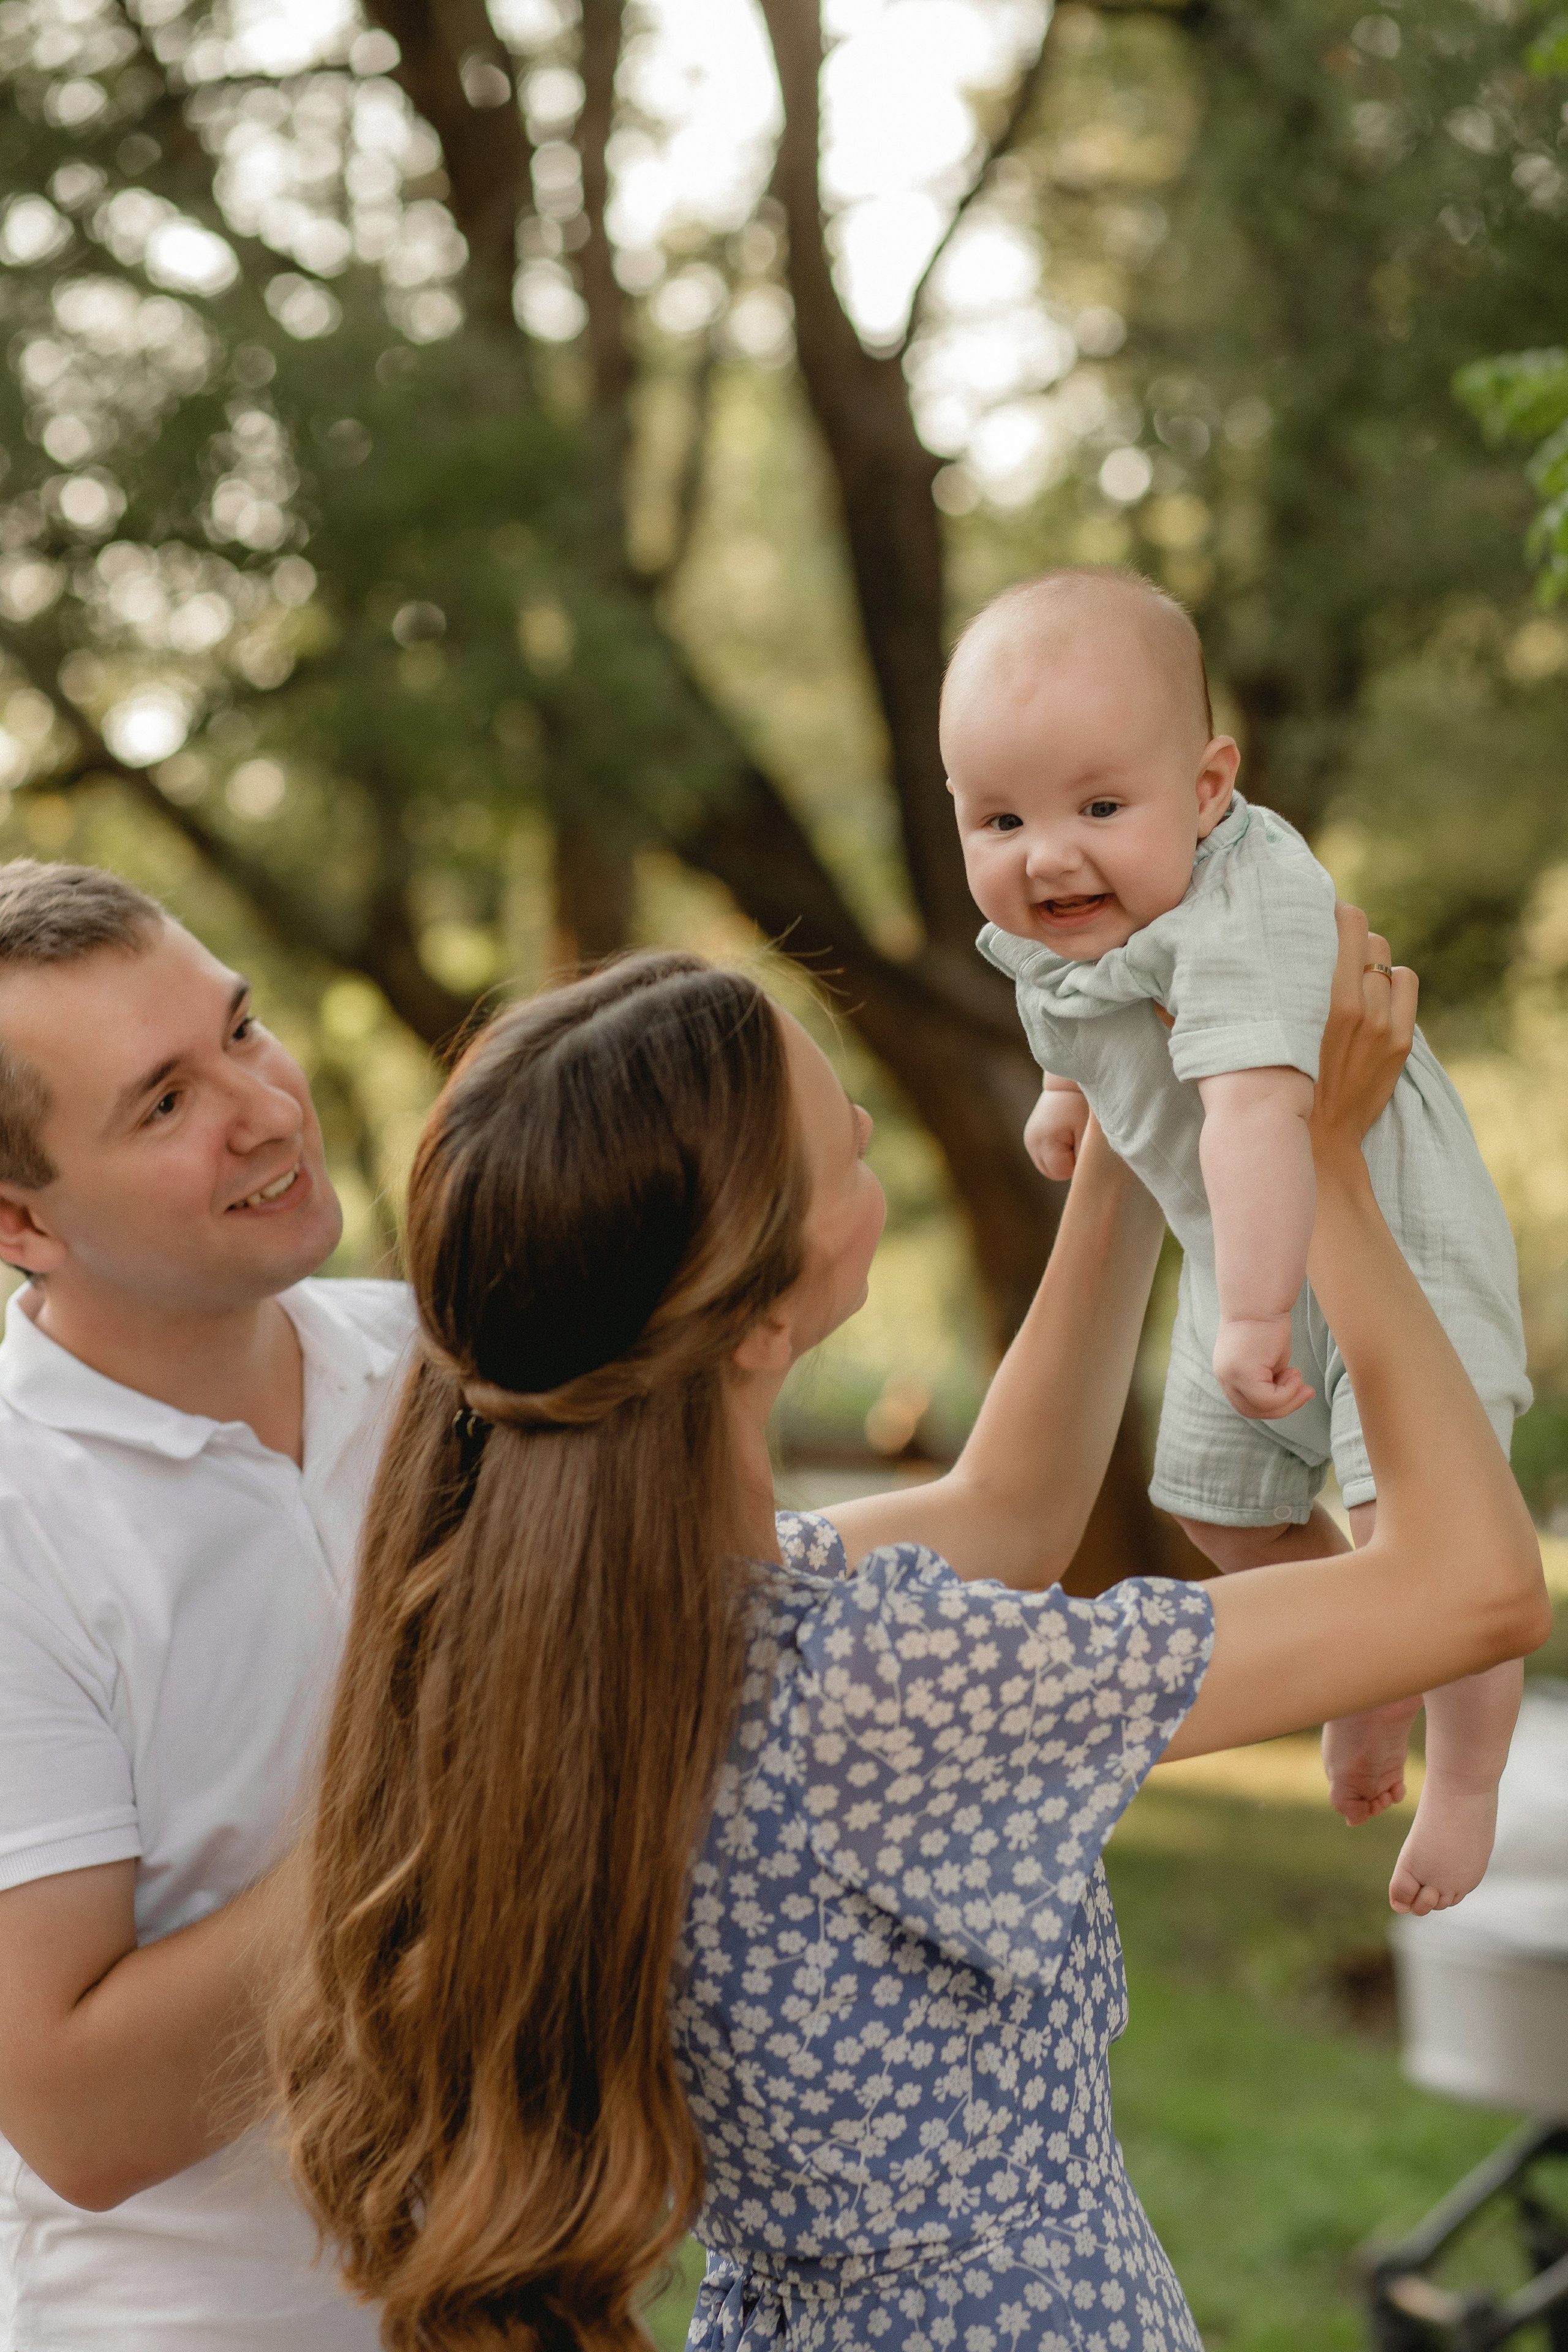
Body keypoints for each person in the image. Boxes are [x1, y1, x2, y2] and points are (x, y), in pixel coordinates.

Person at [274, 923, 1546, 2352]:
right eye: (845, 1151)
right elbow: (1472, 1589)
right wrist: (1322, 1174)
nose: (871, 1124)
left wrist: (1134, 1121)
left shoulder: (605, 1626)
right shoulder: (868, 1681)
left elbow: (1010, 1509)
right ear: (757, 1319)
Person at [940, 566, 1531, 1918]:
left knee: (1422, 1520)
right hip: (1236, 1245)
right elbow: (1067, 1009)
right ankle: (1365, 1657)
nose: (1047, 855)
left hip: (1375, 1230)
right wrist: (1067, 1096)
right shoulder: (1058, 922)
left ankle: (1467, 1778)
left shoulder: (1246, 905)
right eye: (1001, 817)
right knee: (1214, 1498)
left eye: (1098, 807)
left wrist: (1259, 1322)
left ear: (1207, 791)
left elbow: (1268, 1118)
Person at [0, 861, 408, 2348]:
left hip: (510, 2307)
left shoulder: (447, 1367)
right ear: (20, 1224)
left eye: (241, 1031)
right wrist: (469, 1762)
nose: (264, 1108)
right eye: (162, 1103)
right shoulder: (14, 1528)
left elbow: (775, 1597)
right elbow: (79, 2118)